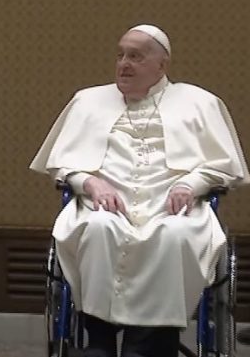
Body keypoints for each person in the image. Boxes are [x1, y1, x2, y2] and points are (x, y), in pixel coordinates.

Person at [31, 24, 248, 357]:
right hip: (103, 206)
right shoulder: (87, 101)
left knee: (175, 235)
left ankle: (148, 346)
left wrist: (191, 183)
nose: (123, 64)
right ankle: (99, 342)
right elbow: (62, 165)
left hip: (172, 208)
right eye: (120, 55)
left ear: (162, 65)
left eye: (135, 56)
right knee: (97, 227)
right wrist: (89, 182)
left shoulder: (200, 103)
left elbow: (222, 166)